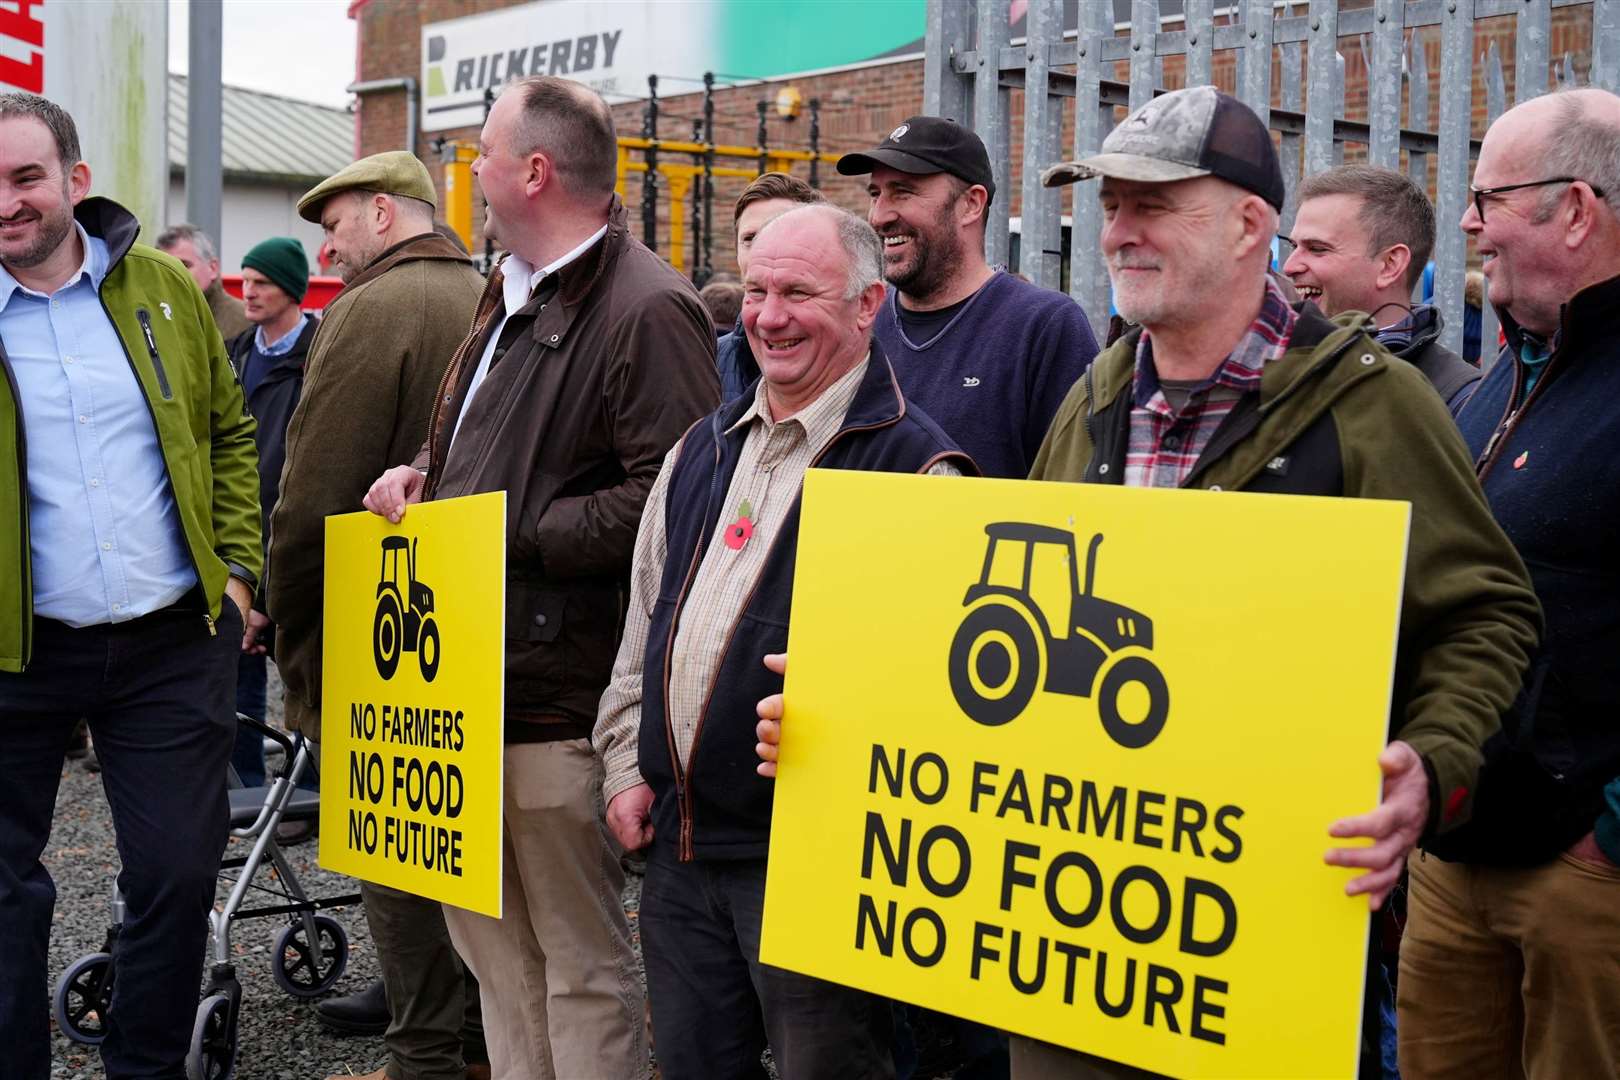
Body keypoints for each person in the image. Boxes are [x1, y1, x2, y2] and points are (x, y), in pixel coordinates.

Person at [760, 84, 1543, 1080]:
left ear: (1251, 223)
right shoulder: (1094, 401)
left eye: (1152, 204)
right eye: (1111, 203)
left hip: (1257, 942)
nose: (1118, 230)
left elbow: (1488, 615)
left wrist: (1429, 766)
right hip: (1074, 950)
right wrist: (845, 718)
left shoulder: (1372, 406)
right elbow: (987, 633)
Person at [362, 75, 719, 1079]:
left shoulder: (648, 309)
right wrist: (426, 480)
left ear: (534, 169)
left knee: (576, 965)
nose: (469, 169)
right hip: (469, 693)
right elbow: (518, 464)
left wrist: (496, 527)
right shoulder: (513, 291)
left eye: (484, 149)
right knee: (495, 959)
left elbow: (674, 501)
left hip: (556, 704)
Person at [593, 203, 972, 1080]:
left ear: (870, 304)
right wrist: (623, 765)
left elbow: (946, 704)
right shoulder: (702, 447)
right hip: (682, 856)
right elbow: (643, 627)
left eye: (800, 292)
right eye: (758, 289)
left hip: (819, 869)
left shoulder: (917, 468)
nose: (768, 315)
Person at [0, 91, 260, 1079]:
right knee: (4, 889)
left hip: (166, 642)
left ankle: (146, 1068)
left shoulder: (158, 287)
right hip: (16, 651)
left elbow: (228, 432)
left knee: (177, 872)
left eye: (26, 177)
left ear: (75, 178)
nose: (8, 203)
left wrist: (236, 575)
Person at [1398, 87, 1620, 1080]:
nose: (1471, 223)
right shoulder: (1493, 385)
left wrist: (1610, 831)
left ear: (1575, 209)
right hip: (1452, 856)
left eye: (1490, 197)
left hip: (1583, 879)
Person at [265, 151, 490, 1080]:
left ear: (389, 218)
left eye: (339, 223)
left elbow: (314, 488)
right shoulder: (490, 293)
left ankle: (425, 1046)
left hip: (380, 620)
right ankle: (467, 1025)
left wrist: (280, 614)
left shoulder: (371, 309)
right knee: (467, 838)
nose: (329, 243)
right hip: (482, 612)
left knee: (397, 841)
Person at [837, 115, 1100, 480]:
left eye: (903, 191)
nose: (879, 216)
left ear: (971, 205)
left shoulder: (1042, 327)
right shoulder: (861, 325)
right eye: (875, 194)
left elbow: (1077, 491)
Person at [222, 235, 315, 789]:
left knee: (305, 670)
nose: (248, 291)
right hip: (242, 526)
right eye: (246, 281)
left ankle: (307, 791)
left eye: (262, 282)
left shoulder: (319, 353)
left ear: (291, 289)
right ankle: (249, 787)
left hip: (296, 530)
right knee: (240, 658)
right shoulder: (235, 352)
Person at [1283, 164, 1480, 411]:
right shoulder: (1269, 367)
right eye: (1294, 247)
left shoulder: (1459, 400)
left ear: (1389, 265)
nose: (1290, 266)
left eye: (1317, 249)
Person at [716, 171, 825, 400]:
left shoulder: (851, 354)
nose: (762, 250)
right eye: (750, 238)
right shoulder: (709, 360)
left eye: (778, 233)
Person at [157, 221, 252, 342]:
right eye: (165, 267)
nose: (174, 274)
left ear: (213, 268)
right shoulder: (149, 319)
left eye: (184, 265)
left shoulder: (247, 322)